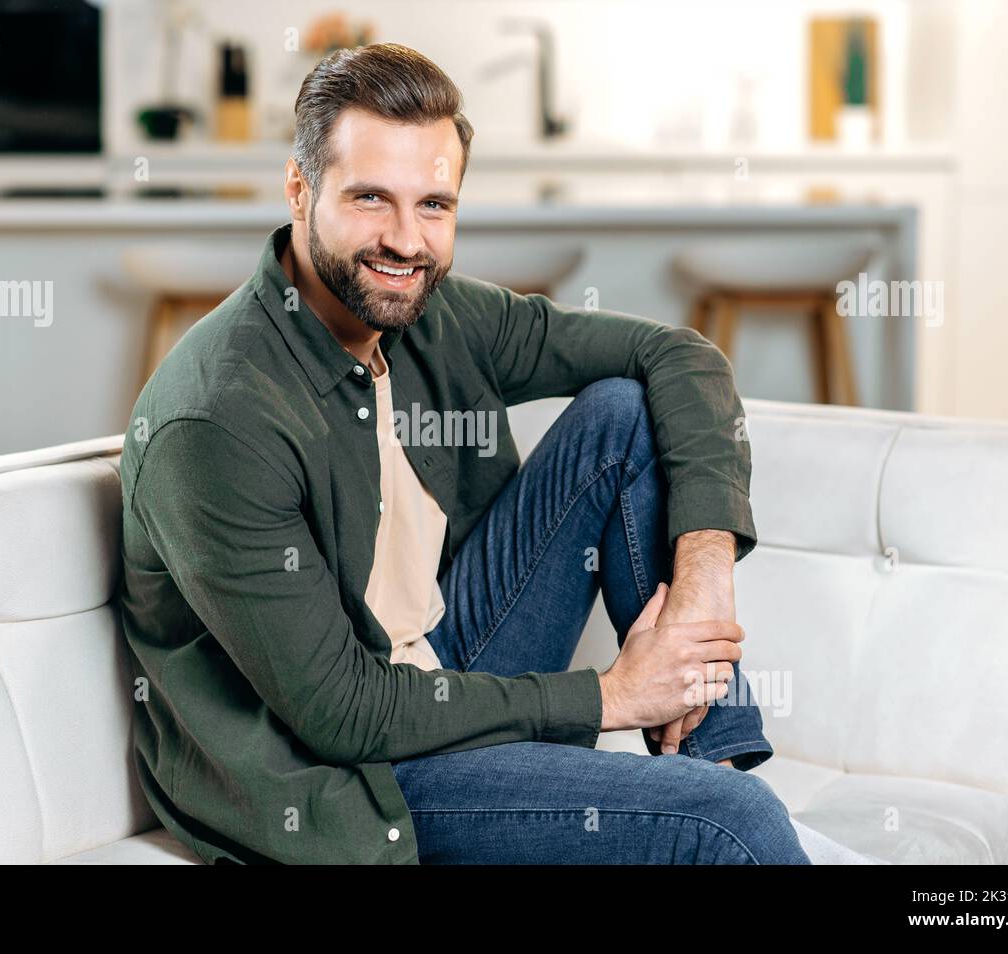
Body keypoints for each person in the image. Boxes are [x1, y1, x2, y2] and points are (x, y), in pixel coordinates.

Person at [116, 42, 810, 865]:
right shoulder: (219, 420)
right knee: (735, 824)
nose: (407, 241)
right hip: (354, 775)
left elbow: (681, 356)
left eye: (434, 205)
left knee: (622, 415)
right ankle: (726, 807)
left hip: (445, 666)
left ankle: (714, 752)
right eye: (371, 198)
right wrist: (611, 696)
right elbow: (342, 712)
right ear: (299, 191)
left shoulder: (426, 316)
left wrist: (703, 578)